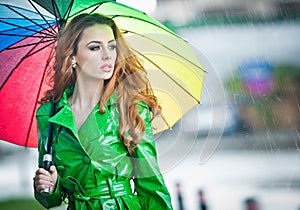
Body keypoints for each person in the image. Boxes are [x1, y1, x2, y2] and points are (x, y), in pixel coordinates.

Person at [33, 13, 173, 209]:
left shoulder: (129, 108)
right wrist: (50, 186)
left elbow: (151, 184)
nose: (107, 55)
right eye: (95, 47)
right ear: (72, 56)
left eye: (111, 46)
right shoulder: (49, 115)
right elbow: (50, 198)